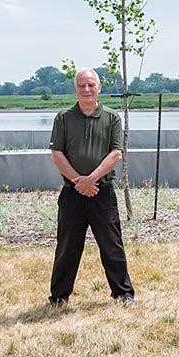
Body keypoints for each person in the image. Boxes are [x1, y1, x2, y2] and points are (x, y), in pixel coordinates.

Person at [47, 68, 135, 307]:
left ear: (99, 88)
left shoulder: (112, 117)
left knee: (112, 245)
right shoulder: (63, 118)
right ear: (75, 89)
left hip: (102, 193)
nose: (87, 90)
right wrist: (78, 181)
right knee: (67, 246)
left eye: (91, 85)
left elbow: (116, 154)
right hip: (72, 194)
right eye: (82, 85)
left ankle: (123, 293)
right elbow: (57, 154)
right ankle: (59, 296)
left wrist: (91, 180)